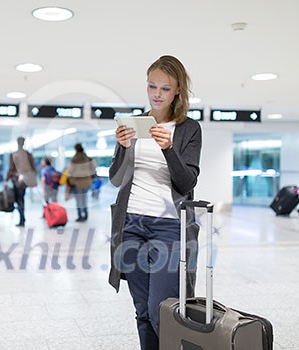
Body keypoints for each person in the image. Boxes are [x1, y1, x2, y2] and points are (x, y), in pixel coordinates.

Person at [108, 55, 202, 350]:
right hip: (131, 223)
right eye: (152, 86)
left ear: (177, 91)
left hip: (169, 227)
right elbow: (115, 178)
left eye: (165, 88)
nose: (157, 94)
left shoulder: (188, 129)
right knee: (143, 311)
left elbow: (187, 183)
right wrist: (123, 148)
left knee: (163, 310)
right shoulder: (134, 125)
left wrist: (169, 149)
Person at [5, 137, 37, 227]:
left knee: (19, 199)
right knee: (21, 198)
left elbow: (11, 168)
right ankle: (22, 218)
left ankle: (22, 219)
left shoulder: (14, 154)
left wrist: (7, 179)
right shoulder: (28, 154)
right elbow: (33, 168)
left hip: (17, 179)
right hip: (26, 179)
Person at [67, 143, 97, 222]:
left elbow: (70, 170)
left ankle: (80, 215)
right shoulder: (87, 157)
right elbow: (94, 166)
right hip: (87, 181)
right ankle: (86, 213)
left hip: (78, 182)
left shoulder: (74, 159)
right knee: (84, 198)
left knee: (79, 199)